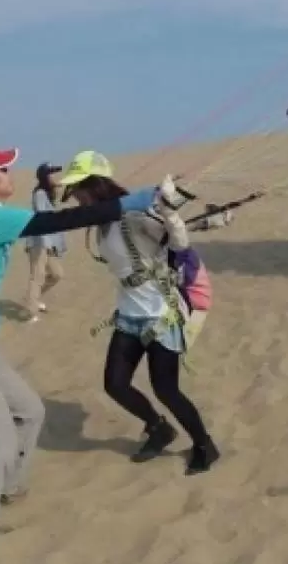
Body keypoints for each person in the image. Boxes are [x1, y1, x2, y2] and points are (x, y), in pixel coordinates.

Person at [0, 145, 162, 533]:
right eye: (5, 169)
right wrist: (129, 203)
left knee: (30, 411)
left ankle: (8, 488)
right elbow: (61, 221)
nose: (13, 175)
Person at [56, 150, 221, 476]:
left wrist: (170, 213)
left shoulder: (133, 216)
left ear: (96, 186)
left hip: (160, 315)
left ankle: (204, 444)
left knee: (166, 389)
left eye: (78, 191)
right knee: (115, 384)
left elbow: (178, 242)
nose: (75, 198)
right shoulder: (101, 224)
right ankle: (158, 428)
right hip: (129, 315)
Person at [23, 162, 68, 322]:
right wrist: (48, 244)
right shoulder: (40, 194)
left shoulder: (47, 194)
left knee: (57, 274)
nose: (54, 176)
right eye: (51, 174)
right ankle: (31, 312)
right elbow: (42, 219)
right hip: (38, 242)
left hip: (48, 243)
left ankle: (32, 299)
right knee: (37, 276)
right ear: (44, 177)